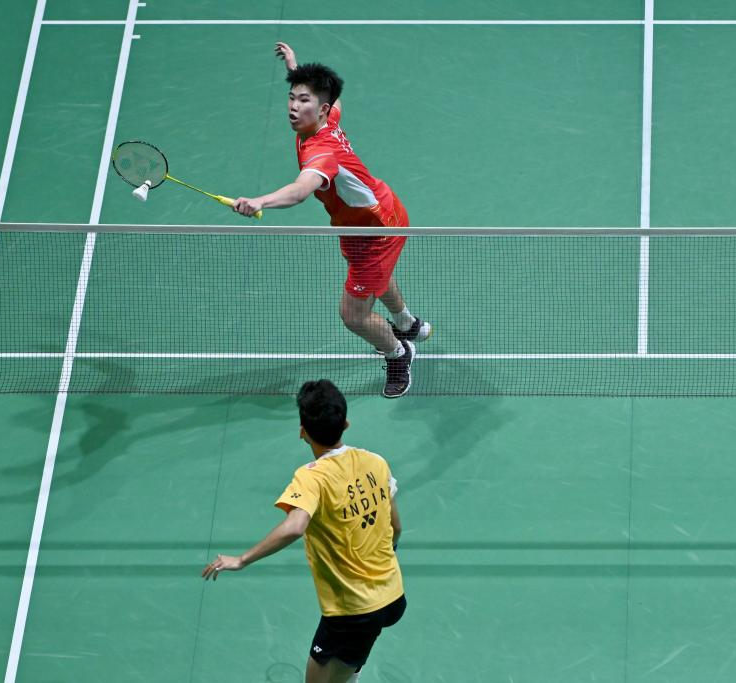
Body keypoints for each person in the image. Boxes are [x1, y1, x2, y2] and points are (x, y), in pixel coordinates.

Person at [232, 43, 431, 398]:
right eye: (292, 98)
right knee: (377, 277)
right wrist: (296, 70)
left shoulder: (321, 151)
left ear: (321, 109)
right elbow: (334, 100)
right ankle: (406, 323)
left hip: (377, 231)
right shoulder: (327, 119)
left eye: (303, 100)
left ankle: (399, 352)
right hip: (365, 220)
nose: (293, 107)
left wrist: (260, 201)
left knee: (354, 315)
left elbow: (299, 191)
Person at [202, 380, 406, 683]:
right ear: (346, 423)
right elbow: (396, 527)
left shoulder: (312, 478)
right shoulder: (376, 462)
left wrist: (242, 560)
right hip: (393, 594)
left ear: (302, 431)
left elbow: (296, 526)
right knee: (345, 659)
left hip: (353, 610)